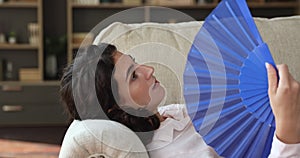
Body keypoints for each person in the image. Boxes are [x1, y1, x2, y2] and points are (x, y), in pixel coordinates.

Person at [60, 43, 300, 157]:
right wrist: (288, 129)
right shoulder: (166, 153)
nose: (149, 70)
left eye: (135, 62)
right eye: (133, 76)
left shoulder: (171, 113)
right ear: (116, 109)